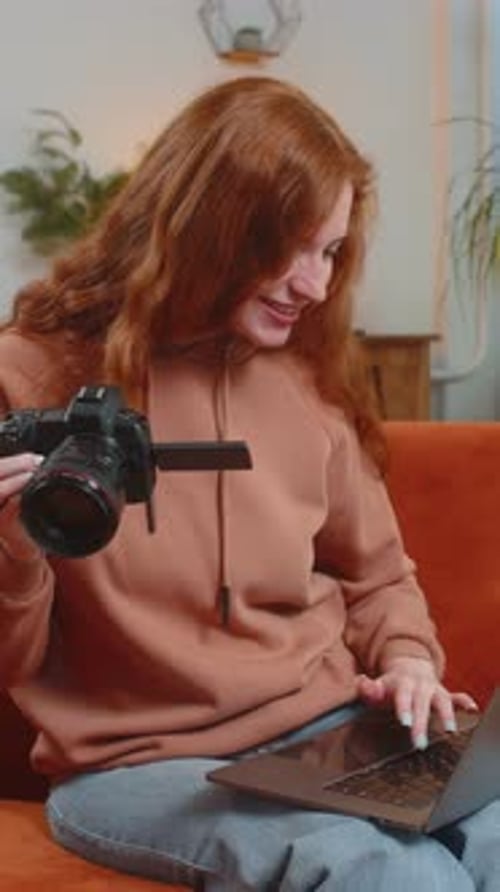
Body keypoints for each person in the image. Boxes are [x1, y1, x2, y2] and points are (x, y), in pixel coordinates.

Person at [0, 75, 497, 892]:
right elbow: (14, 658)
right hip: (140, 765)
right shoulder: (35, 376)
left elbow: (376, 576)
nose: (317, 285)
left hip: (330, 732)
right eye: (292, 248)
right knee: (389, 876)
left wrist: (408, 658)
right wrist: (14, 548)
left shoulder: (308, 377)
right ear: (207, 228)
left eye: (332, 251)